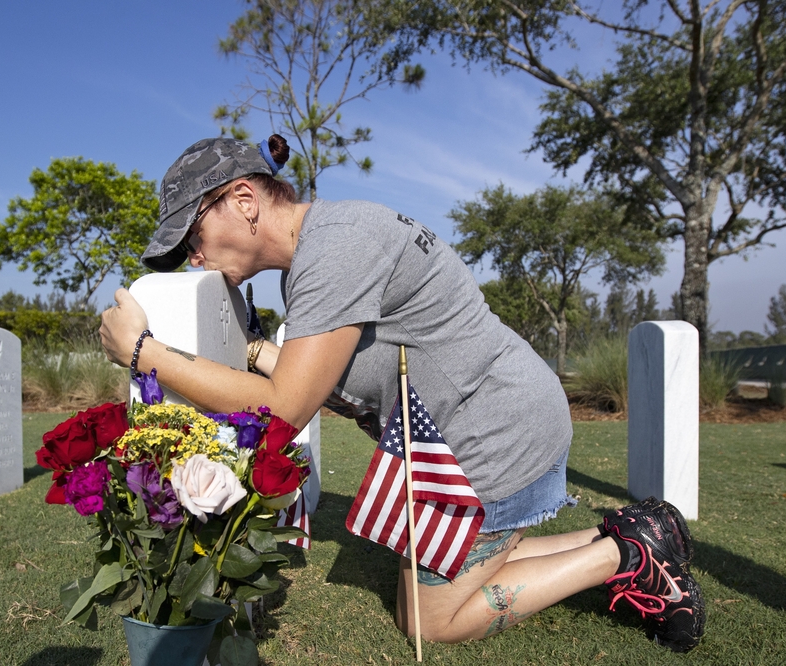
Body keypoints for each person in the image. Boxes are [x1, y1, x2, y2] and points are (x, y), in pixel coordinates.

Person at [99, 135, 707, 652]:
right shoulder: (322, 248)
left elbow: (286, 406)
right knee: (450, 575)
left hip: (495, 437)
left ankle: (622, 557)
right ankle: (640, 530)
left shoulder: (334, 250)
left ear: (243, 199)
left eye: (193, 235)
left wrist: (142, 352)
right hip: (493, 419)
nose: (194, 256)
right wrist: (255, 350)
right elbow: (326, 373)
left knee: (428, 619)